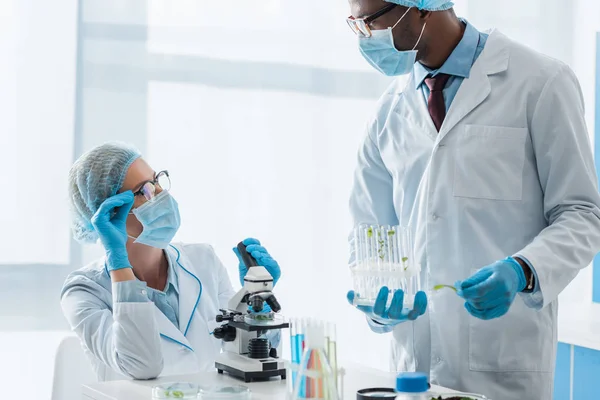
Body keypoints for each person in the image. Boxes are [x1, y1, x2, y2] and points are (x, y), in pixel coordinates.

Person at [344, 1, 600, 399]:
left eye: (372, 20)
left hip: (504, 367)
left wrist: (524, 270)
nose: (366, 36)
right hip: (415, 371)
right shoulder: (387, 113)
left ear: (420, 7)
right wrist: (377, 301)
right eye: (356, 24)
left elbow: (582, 213)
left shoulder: (540, 83)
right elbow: (369, 233)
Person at [61, 142, 282, 381]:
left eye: (156, 180)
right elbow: (142, 365)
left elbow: (243, 358)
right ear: (110, 213)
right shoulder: (83, 291)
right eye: (144, 190)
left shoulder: (204, 261)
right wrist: (118, 260)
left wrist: (255, 304)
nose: (161, 194)